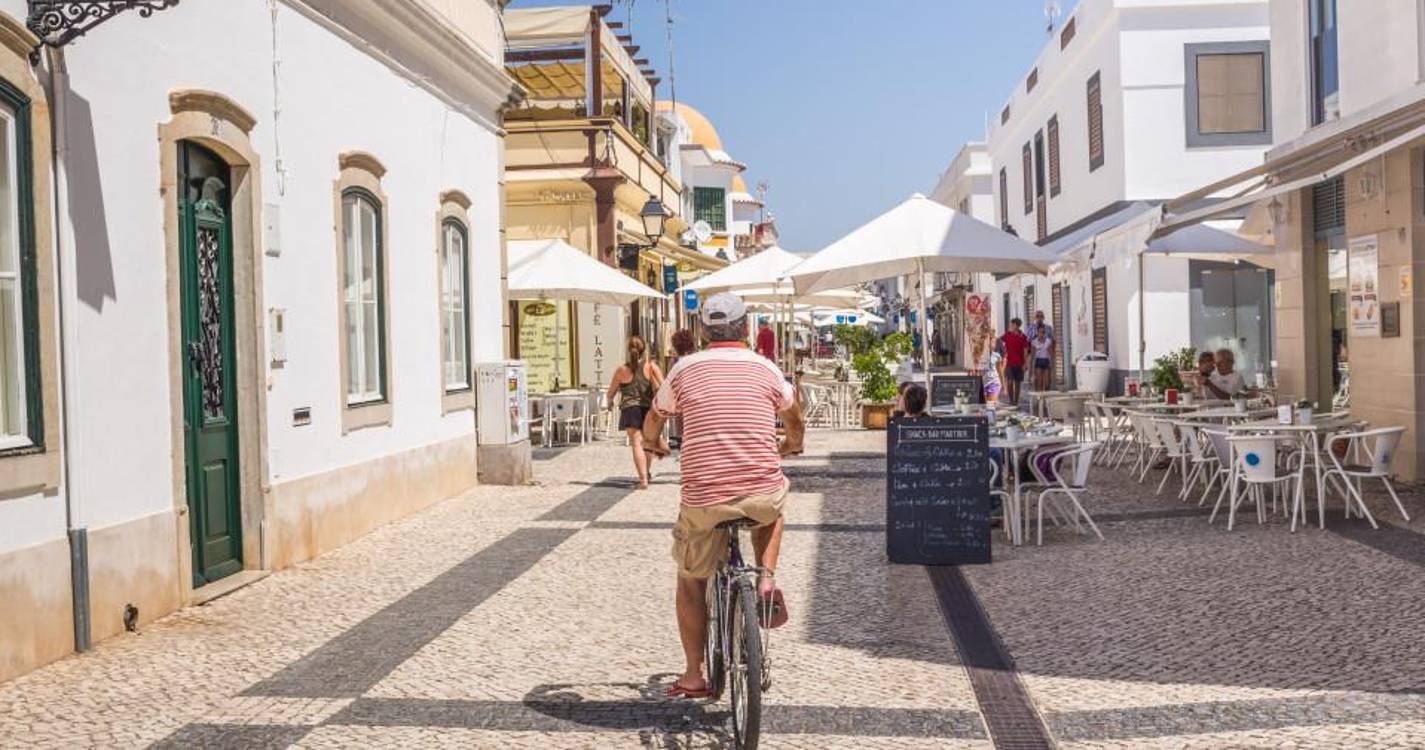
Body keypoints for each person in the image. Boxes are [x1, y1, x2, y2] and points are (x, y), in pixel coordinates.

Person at [641, 293, 804, 699]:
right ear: (745, 328)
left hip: (704, 499)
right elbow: (793, 414)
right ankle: (766, 580)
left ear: (702, 331)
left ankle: (695, 674)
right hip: (759, 491)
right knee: (774, 502)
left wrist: (653, 444)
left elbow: (654, 419)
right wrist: (791, 444)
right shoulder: (765, 368)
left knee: (691, 579)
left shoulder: (684, 369)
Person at [604, 336, 664, 489]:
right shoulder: (650, 367)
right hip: (647, 409)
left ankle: (643, 479)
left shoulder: (621, 370)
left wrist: (609, 403)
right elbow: (665, 387)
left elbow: (610, 393)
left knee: (636, 444)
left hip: (630, 410)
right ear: (644, 350)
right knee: (648, 443)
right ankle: (647, 473)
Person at [999, 318, 1031, 406]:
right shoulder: (1007, 335)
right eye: (1011, 325)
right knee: (1009, 381)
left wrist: (1025, 363)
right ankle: (1011, 400)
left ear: (1017, 326)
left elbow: (1025, 351)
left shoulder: (1023, 337)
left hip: (1019, 363)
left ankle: (1016, 401)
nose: (1011, 327)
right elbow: (998, 342)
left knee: (1017, 383)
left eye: (1012, 325)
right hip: (1009, 363)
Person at [975, 328, 1004, 404]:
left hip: (994, 382)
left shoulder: (996, 355)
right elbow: (977, 370)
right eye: (991, 341)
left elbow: (1000, 371)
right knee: (986, 407)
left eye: (994, 342)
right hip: (984, 383)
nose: (993, 344)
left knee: (991, 405)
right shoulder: (980, 356)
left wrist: (1004, 385)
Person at [1031, 325, 1054, 391]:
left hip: (1046, 360)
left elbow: (1051, 353)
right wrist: (1031, 366)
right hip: (1038, 361)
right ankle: (1040, 397)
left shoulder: (1048, 341)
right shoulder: (1034, 342)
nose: (1042, 334)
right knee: (1039, 381)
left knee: (1047, 382)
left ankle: (1046, 394)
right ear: (1037, 332)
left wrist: (1052, 363)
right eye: (1040, 332)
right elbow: (1032, 354)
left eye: (1043, 332)